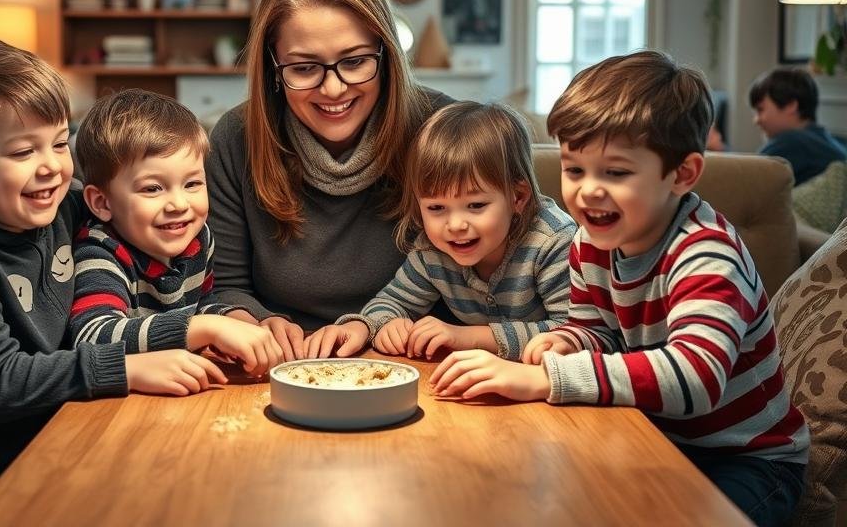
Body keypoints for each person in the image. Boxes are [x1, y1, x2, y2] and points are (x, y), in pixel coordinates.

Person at [430, 51, 809, 526]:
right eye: (575, 170)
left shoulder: (706, 256)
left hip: (745, 458)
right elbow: (597, 331)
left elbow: (696, 377)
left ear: (683, 173)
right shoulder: (591, 241)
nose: (588, 191)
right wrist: (566, 341)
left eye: (616, 172)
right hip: (653, 434)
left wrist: (548, 377)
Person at [0, 39, 217, 527]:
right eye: (23, 151)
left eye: (60, 143)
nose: (53, 167)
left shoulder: (60, 209)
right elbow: (0, 383)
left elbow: (132, 199)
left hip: (69, 439)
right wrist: (130, 368)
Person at [206, 0, 452, 359]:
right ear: (273, 66)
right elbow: (226, 286)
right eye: (304, 68)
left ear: (385, 53)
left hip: (417, 360)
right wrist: (253, 320)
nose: (334, 90)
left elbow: (497, 278)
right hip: (289, 361)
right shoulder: (237, 137)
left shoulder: (441, 128)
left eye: (354, 61)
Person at [303, 101, 575, 360]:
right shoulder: (432, 249)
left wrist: (466, 337)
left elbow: (574, 333)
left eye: (476, 205)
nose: (455, 225)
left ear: (518, 197)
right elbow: (392, 301)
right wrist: (380, 325)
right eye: (436, 208)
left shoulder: (553, 241)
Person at [68, 89, 283, 381]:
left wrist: (233, 317)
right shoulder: (100, 252)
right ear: (102, 203)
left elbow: (201, 303)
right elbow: (92, 336)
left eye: (192, 183)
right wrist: (202, 328)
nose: (179, 205)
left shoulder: (198, 240)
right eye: (152, 189)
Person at [748, 66, 845, 185]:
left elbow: (747, 183)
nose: (756, 120)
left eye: (760, 110)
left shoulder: (791, 142)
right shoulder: (830, 142)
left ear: (791, 105)